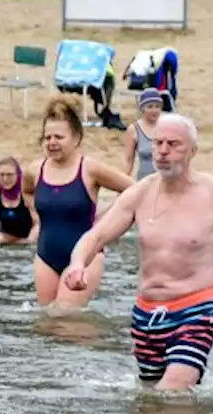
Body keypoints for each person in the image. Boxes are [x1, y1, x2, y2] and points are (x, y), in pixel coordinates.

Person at [62, 113, 213, 390]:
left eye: (173, 144)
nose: (163, 151)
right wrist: (76, 263)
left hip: (197, 308)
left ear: (192, 150)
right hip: (147, 313)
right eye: (157, 143)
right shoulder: (140, 193)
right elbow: (96, 235)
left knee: (170, 392)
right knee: (153, 402)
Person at [22, 97, 134, 308]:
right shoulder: (36, 170)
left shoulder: (90, 169)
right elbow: (26, 191)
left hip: (87, 257)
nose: (52, 142)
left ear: (76, 138)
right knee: (46, 319)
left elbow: (134, 189)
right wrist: (36, 219)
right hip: (46, 255)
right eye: (47, 137)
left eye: (59, 137)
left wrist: (107, 219)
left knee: (66, 316)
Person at [0, 155, 38, 244]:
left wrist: (27, 242)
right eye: (1, 175)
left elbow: (38, 224)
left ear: (18, 174)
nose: (5, 179)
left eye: (9, 175)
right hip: (5, 235)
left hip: (29, 235)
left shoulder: (27, 191)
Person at [123, 88, 164, 179]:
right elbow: (128, 161)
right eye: (150, 107)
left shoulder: (166, 126)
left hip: (165, 181)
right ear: (142, 109)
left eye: (157, 106)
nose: (154, 110)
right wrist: (121, 186)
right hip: (144, 180)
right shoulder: (134, 129)